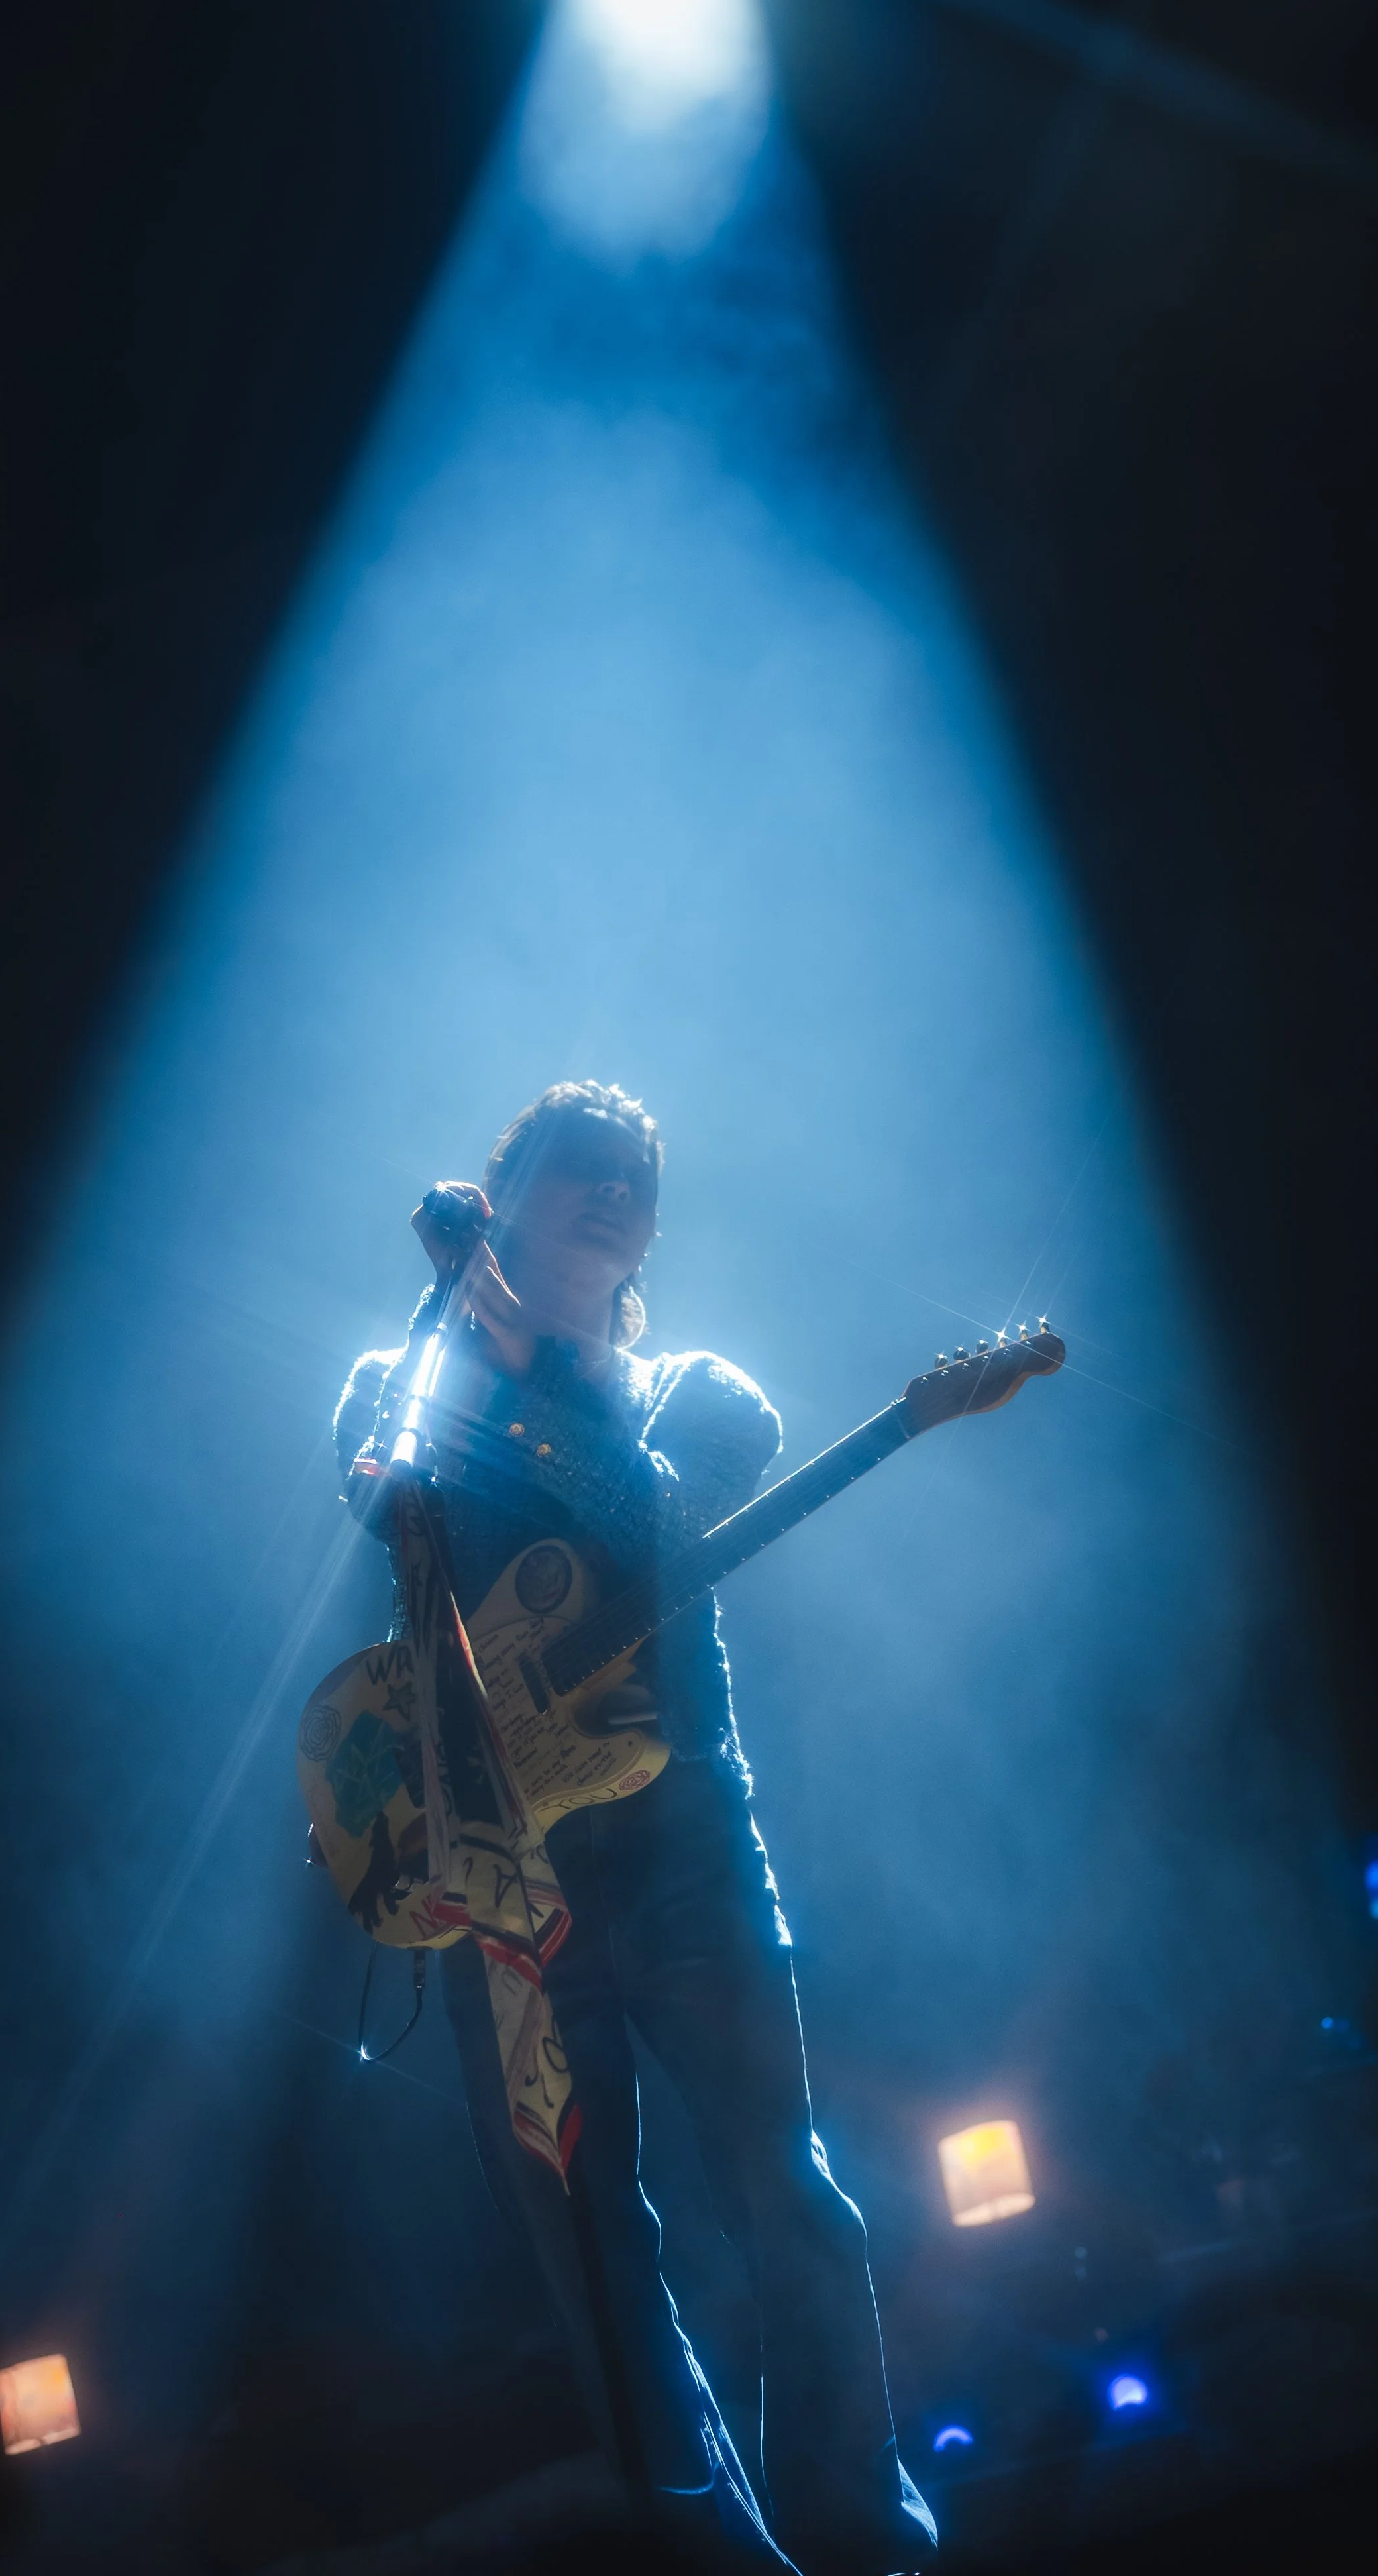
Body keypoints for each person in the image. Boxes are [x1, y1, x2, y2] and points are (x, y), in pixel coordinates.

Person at [333, 1080, 937, 2576]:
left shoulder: (703, 1397)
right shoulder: (399, 1386)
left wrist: (556, 1365)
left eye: (635, 1178)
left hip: (684, 1863)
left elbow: (651, 1525)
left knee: (784, 2194)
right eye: (576, 1168)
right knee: (592, 2252)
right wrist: (467, 1347)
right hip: (500, 1889)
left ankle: (863, 2535)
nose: (611, 1191)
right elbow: (380, 1492)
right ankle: (714, 2557)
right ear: (502, 1193)